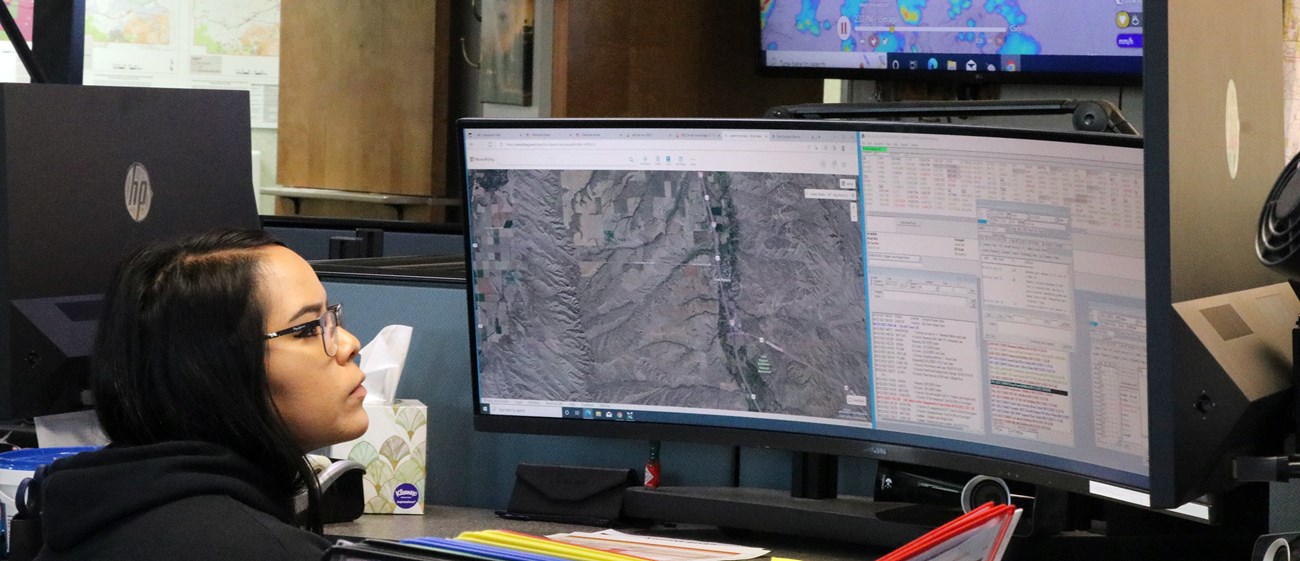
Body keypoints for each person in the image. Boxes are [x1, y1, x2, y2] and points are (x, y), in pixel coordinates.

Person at [31, 229, 369, 560]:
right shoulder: (254, 549)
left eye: (331, 318)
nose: (349, 343)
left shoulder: (95, 515)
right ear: (213, 368)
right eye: (310, 328)